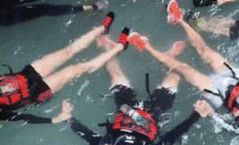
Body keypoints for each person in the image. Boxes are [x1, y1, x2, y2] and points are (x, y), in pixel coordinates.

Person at [128, 1, 239, 138]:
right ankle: (179, 19)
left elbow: (230, 127)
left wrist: (210, 113)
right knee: (204, 50)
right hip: (237, 78)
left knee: (183, 69)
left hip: (219, 95)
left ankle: (145, 46)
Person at [0, 16, 130, 122]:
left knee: (66, 51)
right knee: (78, 67)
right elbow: (22, 117)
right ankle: (121, 47)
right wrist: (54, 119)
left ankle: (100, 29)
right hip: (36, 90)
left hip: (26, 74)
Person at [59, 34, 213, 145]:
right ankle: (170, 57)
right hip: (152, 115)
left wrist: (69, 119)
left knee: (116, 76)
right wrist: (196, 115)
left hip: (126, 111)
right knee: (172, 81)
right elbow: (171, 136)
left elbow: (89, 136)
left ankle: (108, 48)